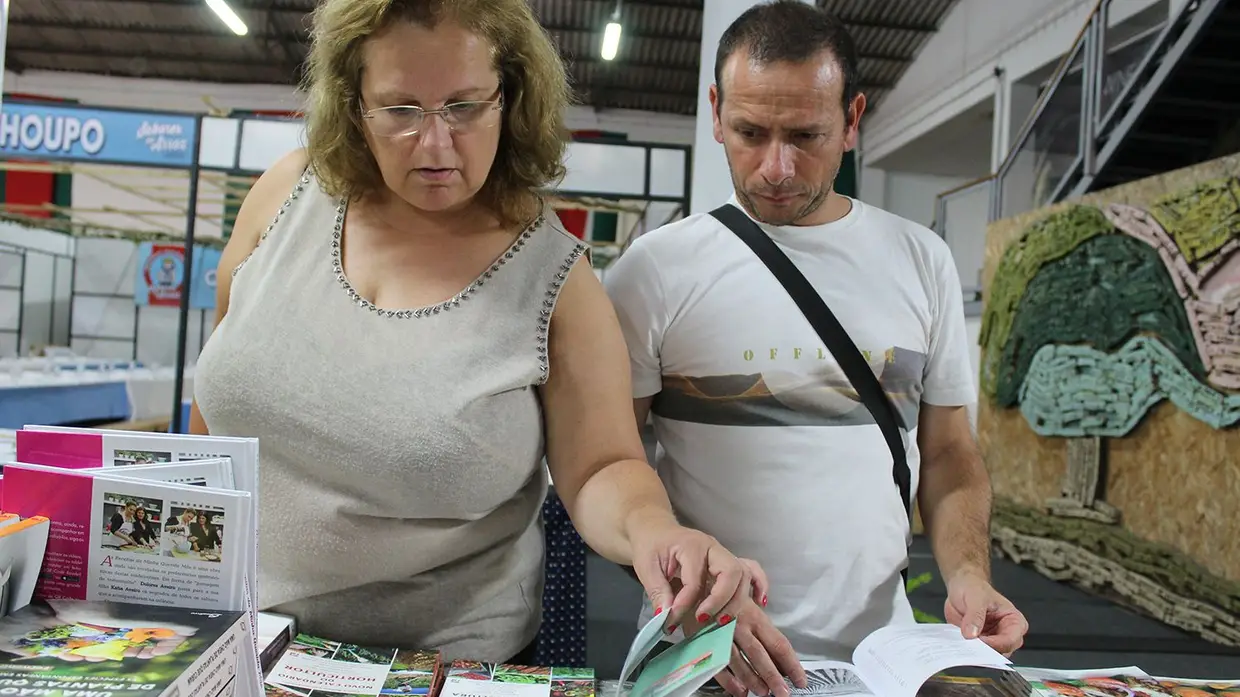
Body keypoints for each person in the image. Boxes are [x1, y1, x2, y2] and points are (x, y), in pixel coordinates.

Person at [188, 0, 776, 667]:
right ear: (354, 104)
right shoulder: (283, 198)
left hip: (438, 668)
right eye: (401, 110)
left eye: (465, 107)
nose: (436, 144)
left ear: (511, 98)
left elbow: (602, 466)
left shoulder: (555, 281)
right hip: (242, 642)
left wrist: (657, 531)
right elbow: (220, 397)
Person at [603, 2, 1030, 695]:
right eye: (749, 132)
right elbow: (612, 468)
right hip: (710, 652)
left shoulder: (921, 260)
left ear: (853, 119)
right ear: (715, 112)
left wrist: (970, 575)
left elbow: (949, 452)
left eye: (806, 134)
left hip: (885, 654)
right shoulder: (653, 273)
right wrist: (691, 589)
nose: (776, 166)